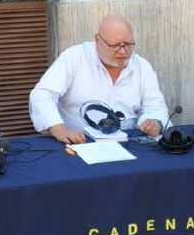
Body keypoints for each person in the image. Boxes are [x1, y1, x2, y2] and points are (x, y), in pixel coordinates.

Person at [29, 15, 169, 144]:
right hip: (78, 142)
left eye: (127, 44)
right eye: (114, 45)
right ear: (97, 40)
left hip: (127, 142)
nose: (122, 51)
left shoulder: (142, 66)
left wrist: (155, 121)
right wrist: (59, 129)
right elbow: (42, 95)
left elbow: (155, 106)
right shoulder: (74, 57)